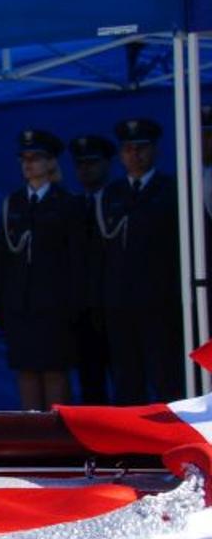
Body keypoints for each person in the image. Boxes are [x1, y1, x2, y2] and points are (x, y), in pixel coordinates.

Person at [0, 130, 81, 411]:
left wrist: (73, 303)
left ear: (50, 162)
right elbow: (4, 256)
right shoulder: (13, 203)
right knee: (26, 370)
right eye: (24, 158)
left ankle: (56, 428)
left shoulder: (67, 203)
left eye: (36, 158)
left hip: (55, 303)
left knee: (55, 370)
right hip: (21, 303)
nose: (28, 164)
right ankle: (31, 428)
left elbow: (75, 258)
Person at [100, 117, 183, 403]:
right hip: (120, 302)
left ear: (154, 150)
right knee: (126, 379)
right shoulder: (112, 193)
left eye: (141, 148)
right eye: (128, 149)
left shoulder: (171, 189)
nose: (134, 155)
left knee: (165, 377)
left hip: (159, 301)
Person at [67, 135, 116, 405]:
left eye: (92, 163)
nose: (86, 169)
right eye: (80, 164)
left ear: (107, 164)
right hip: (83, 309)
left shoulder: (119, 200)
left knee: (127, 380)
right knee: (90, 383)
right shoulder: (71, 206)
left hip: (117, 307)